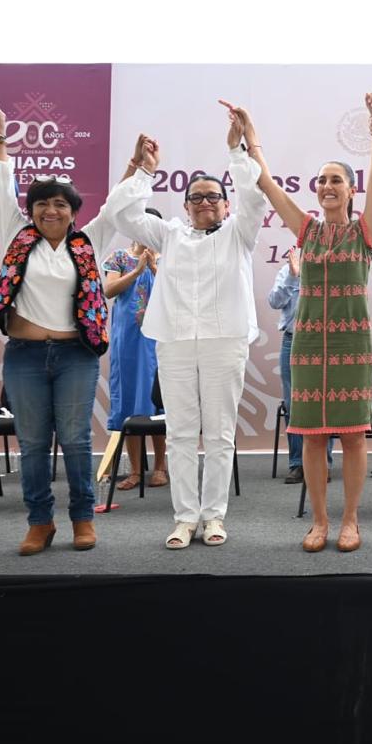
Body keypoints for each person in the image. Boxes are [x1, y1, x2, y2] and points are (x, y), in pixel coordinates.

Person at [110, 105, 269, 550]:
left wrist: (237, 147)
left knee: (218, 434)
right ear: (184, 206)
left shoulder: (241, 231)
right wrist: (144, 171)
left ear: (224, 203)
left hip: (225, 342)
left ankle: (213, 517)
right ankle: (184, 518)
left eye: (211, 196)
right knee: (180, 434)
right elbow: (121, 214)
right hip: (175, 342)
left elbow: (256, 194)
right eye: (195, 197)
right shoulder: (169, 235)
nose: (203, 203)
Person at [0, 103, 119, 554]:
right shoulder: (16, 234)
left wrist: (139, 167)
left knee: (75, 440)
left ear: (73, 212)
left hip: (75, 355)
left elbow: (118, 207)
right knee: (33, 444)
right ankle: (40, 522)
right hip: (25, 355)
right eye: (42, 203)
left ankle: (81, 518)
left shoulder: (89, 241)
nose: (50, 210)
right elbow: (0, 185)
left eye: (60, 203)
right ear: (30, 210)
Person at [248, 95, 372, 553]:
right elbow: (267, 185)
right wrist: (250, 136)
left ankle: (350, 521)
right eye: (322, 180)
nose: (327, 186)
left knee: (350, 437)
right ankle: (320, 522)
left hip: (352, 345)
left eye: (336, 180)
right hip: (306, 345)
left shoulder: (363, 231)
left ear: (350, 190)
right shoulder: (305, 231)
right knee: (310, 436)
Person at [103, 208, 167, 490]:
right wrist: (138, 270)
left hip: (158, 342)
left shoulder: (168, 257)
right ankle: (135, 471)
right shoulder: (119, 257)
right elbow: (109, 290)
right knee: (129, 403)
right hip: (126, 342)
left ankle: (160, 468)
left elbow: (176, 290)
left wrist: (153, 267)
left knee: (158, 405)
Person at [266, 247, 334, 485]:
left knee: (323, 403)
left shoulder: (330, 272)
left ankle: (323, 462)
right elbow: (274, 301)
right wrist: (294, 276)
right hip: (292, 342)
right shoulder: (287, 271)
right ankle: (297, 464)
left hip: (321, 343)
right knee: (292, 404)